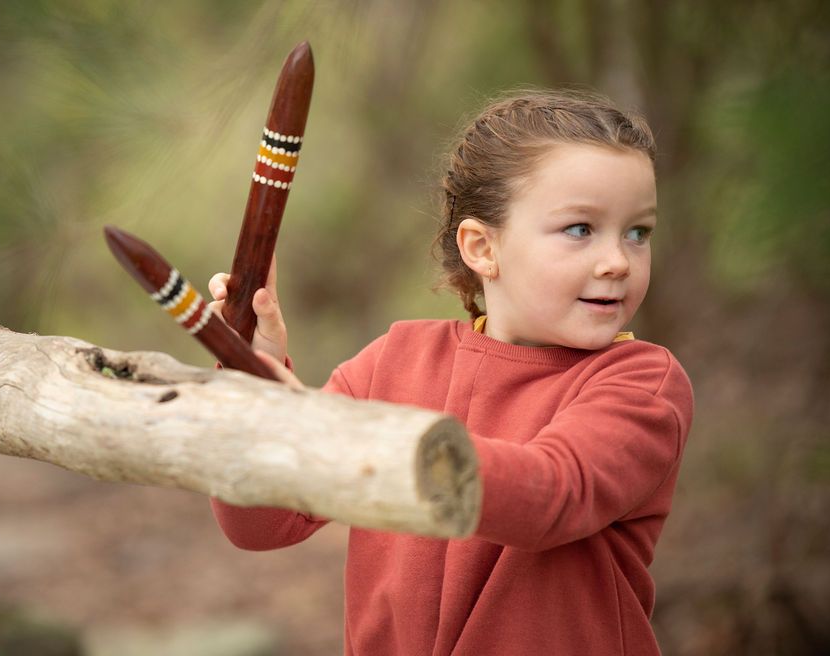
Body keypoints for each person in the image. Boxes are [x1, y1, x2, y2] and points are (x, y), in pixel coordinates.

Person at [207, 88, 694, 656]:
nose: (617, 260)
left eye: (638, 233)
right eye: (581, 229)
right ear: (482, 247)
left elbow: (553, 496)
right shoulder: (393, 362)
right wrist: (255, 381)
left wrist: (347, 435)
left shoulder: (641, 383)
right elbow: (261, 526)